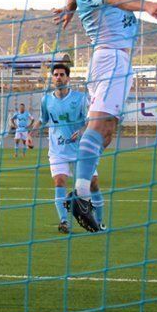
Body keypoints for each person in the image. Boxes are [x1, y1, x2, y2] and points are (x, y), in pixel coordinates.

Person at [56, 0, 157, 232]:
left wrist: (69, 9)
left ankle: (81, 190)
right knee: (97, 128)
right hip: (110, 58)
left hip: (117, 61)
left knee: (106, 132)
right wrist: (146, 6)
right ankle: (80, 195)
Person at [33, 63, 102, 233]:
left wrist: (81, 131)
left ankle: (99, 221)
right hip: (58, 151)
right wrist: (30, 133)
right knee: (59, 181)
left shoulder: (80, 98)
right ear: (52, 78)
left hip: (81, 150)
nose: (58, 77)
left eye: (62, 74)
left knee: (93, 184)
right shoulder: (46, 100)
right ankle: (64, 221)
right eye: (55, 74)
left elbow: (90, 121)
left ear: (68, 78)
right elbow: (42, 119)